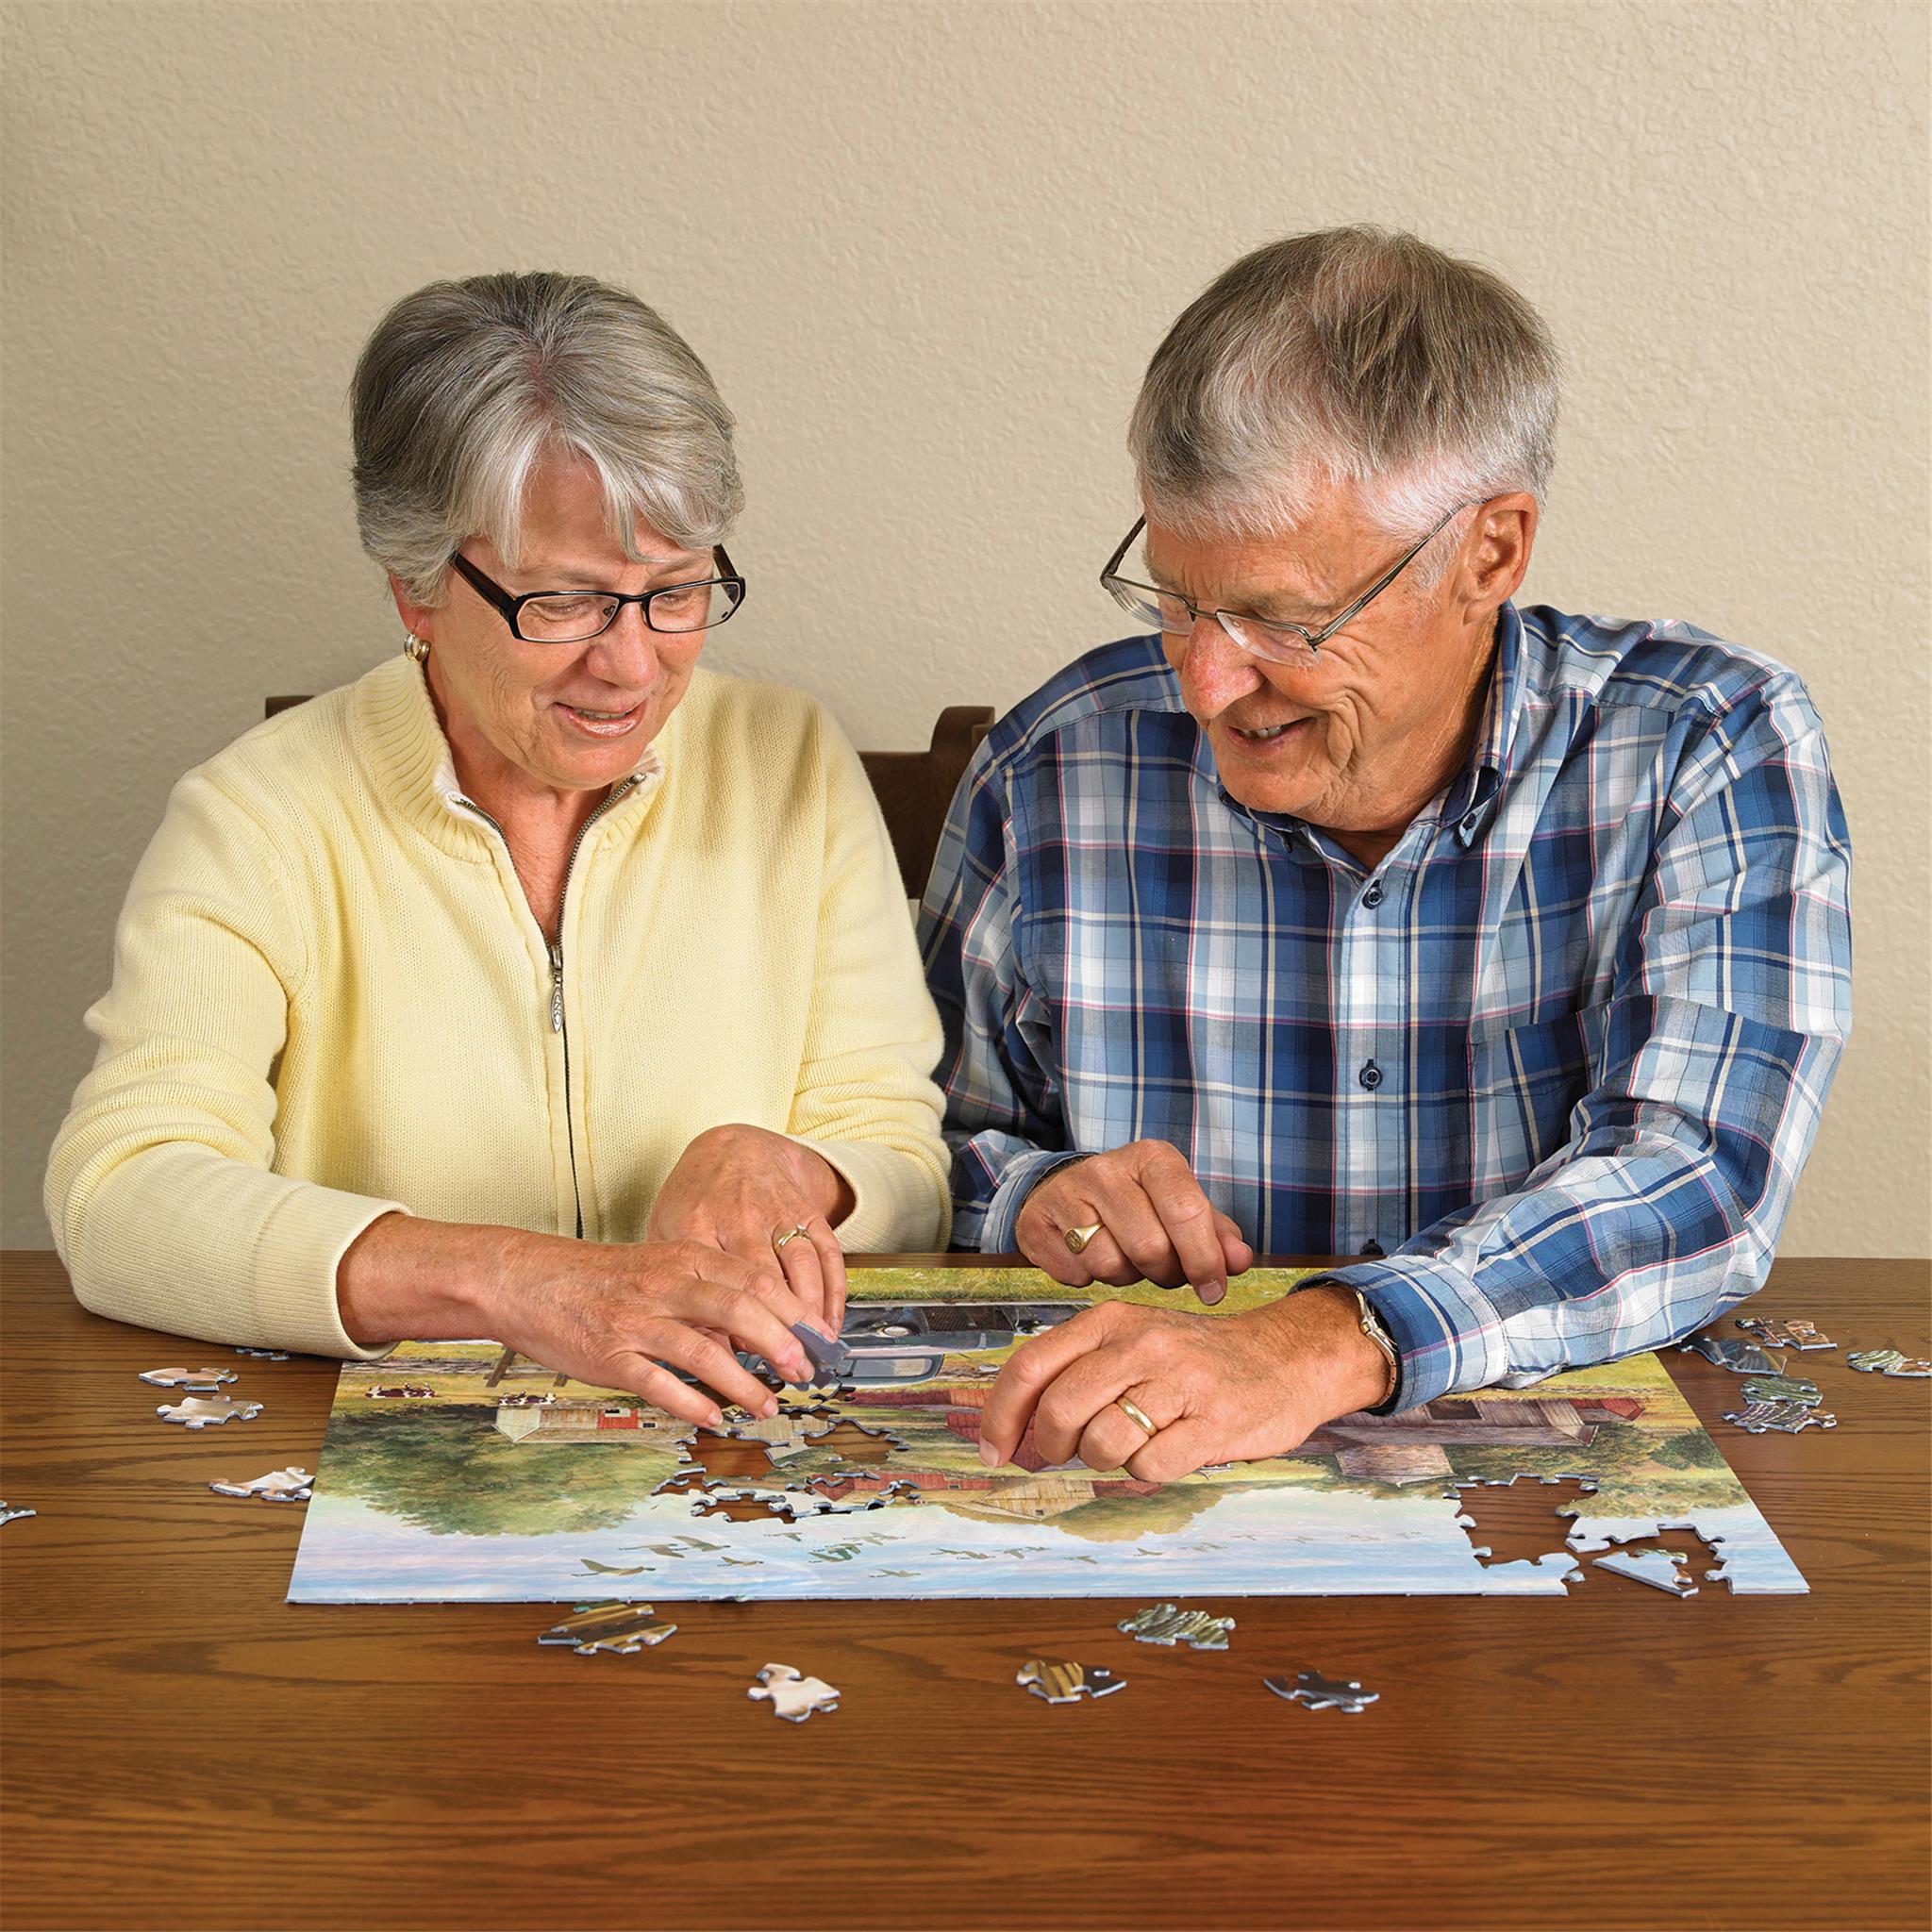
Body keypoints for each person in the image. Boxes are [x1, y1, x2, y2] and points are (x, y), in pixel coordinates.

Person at [923, 226, 1851, 1480]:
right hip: (1135, 1485)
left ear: (1491, 553)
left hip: (1545, 1507)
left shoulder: (1705, 746)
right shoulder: (1055, 764)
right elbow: (923, 1134)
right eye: (1178, 598)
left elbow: (1698, 1179)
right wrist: (1030, 1193)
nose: (1206, 682)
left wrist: (1320, 1345)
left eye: (1282, 618)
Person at [46, 271, 949, 1428]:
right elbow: (119, 1194)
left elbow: (903, 1160)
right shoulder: (258, 813)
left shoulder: (787, 761)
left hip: (727, 1464)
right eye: (562, 602)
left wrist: (794, 1168)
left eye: (674, 591)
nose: (630, 665)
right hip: (387, 1467)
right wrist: (511, 1277)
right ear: (417, 590)